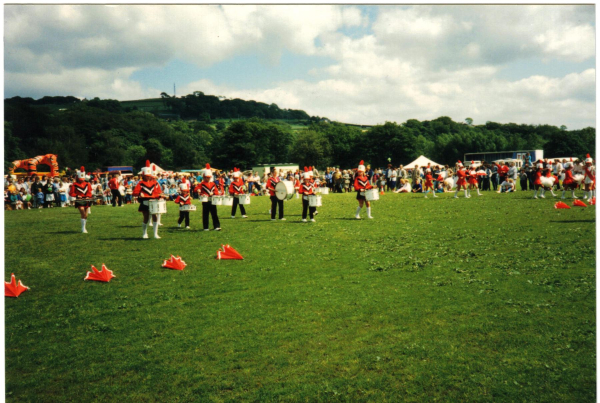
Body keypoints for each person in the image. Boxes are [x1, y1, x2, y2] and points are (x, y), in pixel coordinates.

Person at [132, 161, 164, 239]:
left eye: (149, 176)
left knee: (155, 216)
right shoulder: (140, 183)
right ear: (143, 175)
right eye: (146, 176)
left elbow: (158, 192)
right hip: (145, 202)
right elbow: (134, 192)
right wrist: (139, 194)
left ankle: (155, 234)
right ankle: (144, 233)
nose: (148, 177)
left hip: (153, 201)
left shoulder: (154, 183)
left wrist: (160, 196)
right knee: (146, 217)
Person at [195, 163, 222, 231]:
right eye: (206, 177)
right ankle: (206, 227)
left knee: (214, 213)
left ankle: (216, 226)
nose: (208, 178)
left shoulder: (213, 183)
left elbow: (216, 191)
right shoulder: (202, 184)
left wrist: (213, 193)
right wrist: (198, 190)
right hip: (205, 200)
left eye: (209, 177)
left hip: (212, 200)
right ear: (204, 177)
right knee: (205, 214)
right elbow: (196, 189)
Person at [69, 167, 93, 233]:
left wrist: (88, 196)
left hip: (87, 200)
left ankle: (84, 227)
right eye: (80, 179)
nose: (81, 180)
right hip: (79, 201)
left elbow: (89, 192)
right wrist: (77, 195)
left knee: (86, 215)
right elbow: (71, 193)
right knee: (82, 212)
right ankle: (83, 228)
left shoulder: (88, 184)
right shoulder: (74, 185)